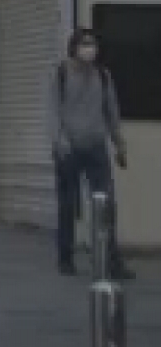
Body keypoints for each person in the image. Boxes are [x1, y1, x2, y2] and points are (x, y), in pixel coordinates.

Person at [49, 28, 133, 279]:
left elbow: (112, 111)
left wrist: (119, 144)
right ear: (73, 47)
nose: (90, 49)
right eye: (85, 44)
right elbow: (53, 112)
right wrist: (60, 142)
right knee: (67, 205)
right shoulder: (61, 74)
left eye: (93, 44)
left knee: (106, 204)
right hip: (69, 148)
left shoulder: (103, 76)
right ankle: (65, 257)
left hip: (96, 147)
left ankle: (111, 260)